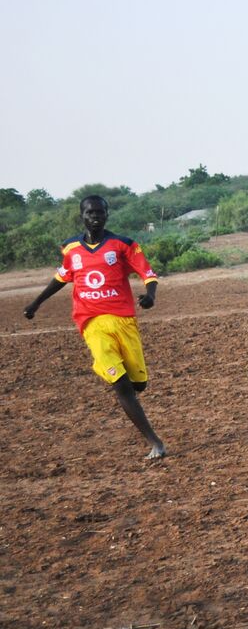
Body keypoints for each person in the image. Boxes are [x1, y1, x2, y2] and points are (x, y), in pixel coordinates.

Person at [22, 195, 166, 460]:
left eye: (100, 212)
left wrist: (151, 296)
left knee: (139, 384)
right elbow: (61, 277)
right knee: (120, 383)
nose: (95, 217)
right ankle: (155, 442)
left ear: (107, 214)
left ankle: (132, 388)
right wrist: (35, 303)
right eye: (90, 213)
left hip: (123, 320)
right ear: (82, 216)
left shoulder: (124, 245)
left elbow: (148, 274)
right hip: (90, 322)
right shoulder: (70, 248)